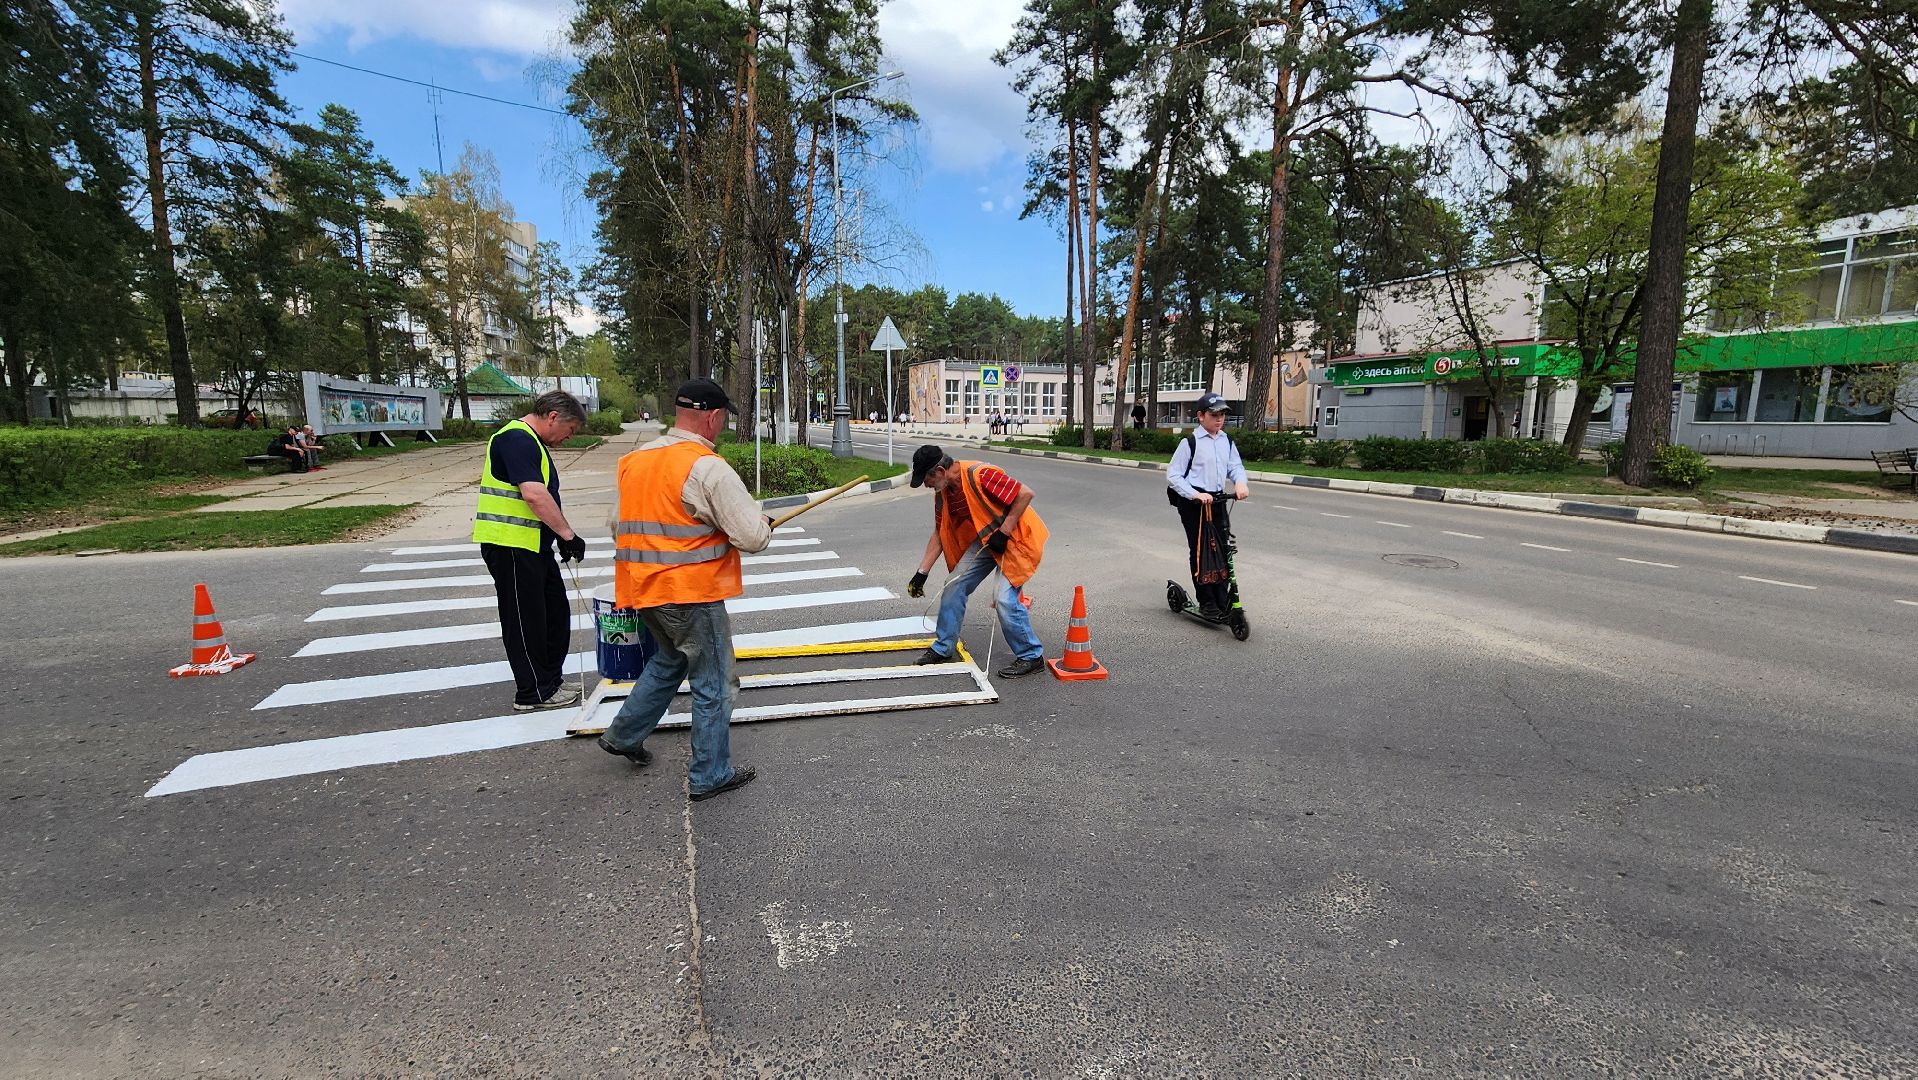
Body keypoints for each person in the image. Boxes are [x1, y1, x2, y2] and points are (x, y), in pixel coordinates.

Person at [597, 378, 772, 801]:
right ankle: (710, 773)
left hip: (643, 589)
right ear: (712, 417)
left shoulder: (636, 459)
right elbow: (751, 537)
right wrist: (762, 525)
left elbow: (617, 524)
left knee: (670, 661)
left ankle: (623, 735)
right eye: (723, 418)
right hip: (691, 593)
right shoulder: (706, 467)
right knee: (715, 683)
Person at [473, 390, 591, 712]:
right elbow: (534, 494)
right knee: (526, 621)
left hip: (533, 546)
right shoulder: (515, 438)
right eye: (570, 429)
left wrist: (558, 537)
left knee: (554, 614)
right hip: (510, 546)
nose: (569, 437)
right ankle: (533, 692)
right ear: (553, 416)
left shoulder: (532, 443)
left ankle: (550, 680)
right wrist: (567, 533)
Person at [905, 444, 1048, 679]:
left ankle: (1031, 655)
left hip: (1015, 538)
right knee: (954, 585)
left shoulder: (980, 475)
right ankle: (944, 648)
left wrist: (1004, 531)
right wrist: (922, 572)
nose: (925, 485)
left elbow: (1025, 494)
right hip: (987, 539)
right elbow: (940, 533)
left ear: (939, 471)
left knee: (1003, 599)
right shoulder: (943, 493)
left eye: (926, 479)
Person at [1166, 391, 1250, 621]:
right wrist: (1195, 494)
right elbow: (1174, 476)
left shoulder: (1226, 441)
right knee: (1202, 551)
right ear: (1201, 416)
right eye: (1214, 414)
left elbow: (1236, 467)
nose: (1219, 419)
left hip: (1218, 500)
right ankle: (1207, 602)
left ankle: (1222, 600)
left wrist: (1240, 484)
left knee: (1222, 550)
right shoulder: (1190, 443)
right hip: (1194, 503)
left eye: (1222, 414)